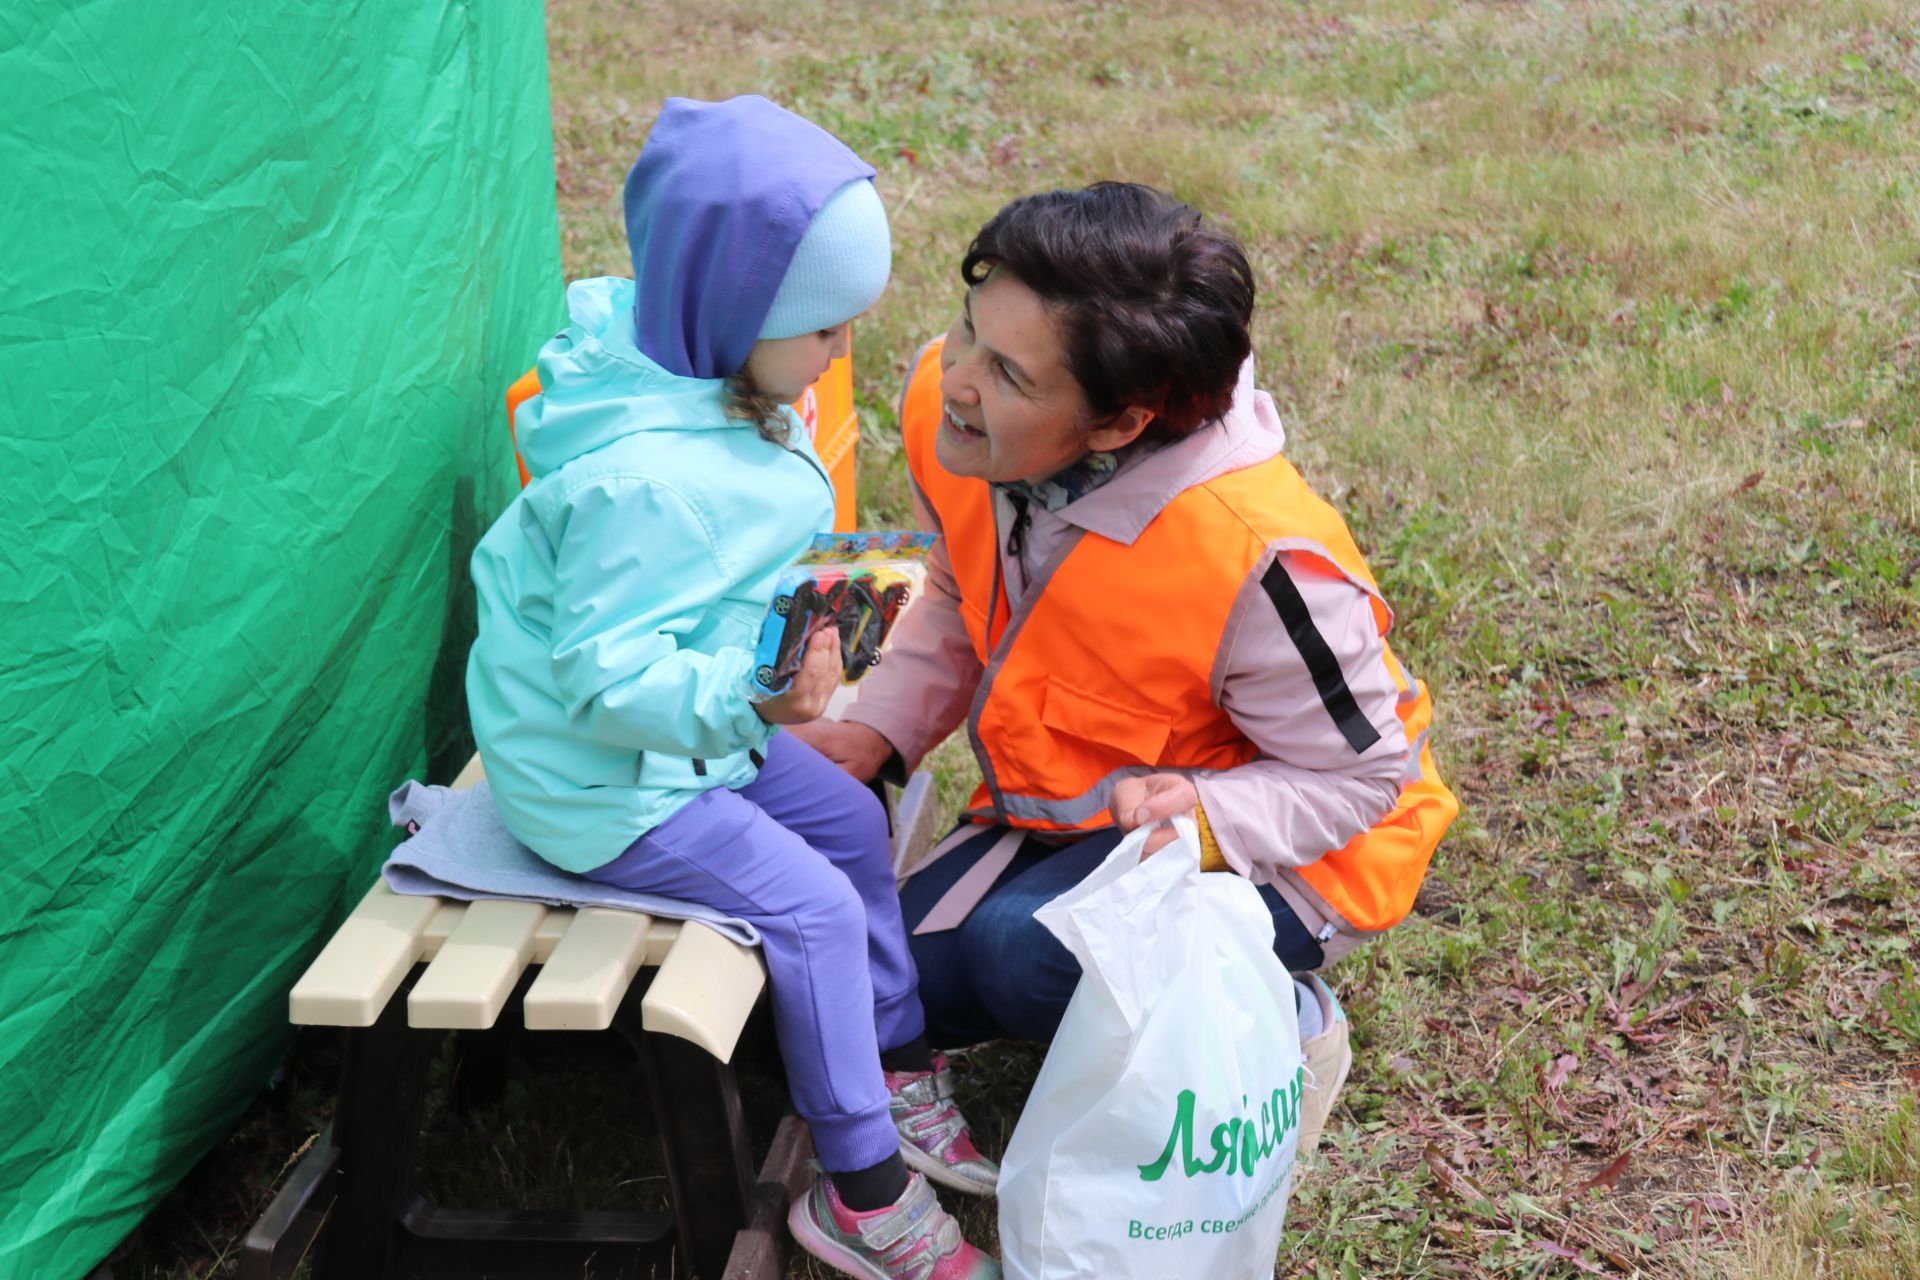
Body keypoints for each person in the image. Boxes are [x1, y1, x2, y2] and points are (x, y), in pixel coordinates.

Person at [791, 182, 1460, 1161]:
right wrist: (876, 722)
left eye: (1008, 372)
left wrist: (1200, 815)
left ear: (1116, 423)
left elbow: (1365, 778)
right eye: (968, 330)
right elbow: (957, 584)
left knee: (1021, 959)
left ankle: (1281, 1019)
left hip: (1300, 842)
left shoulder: (1259, 555)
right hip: (1085, 811)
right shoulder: (965, 408)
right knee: (857, 979)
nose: (956, 379)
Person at [464, 96, 1000, 1280]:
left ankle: (896, 1052)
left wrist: (810, 620)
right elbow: (604, 679)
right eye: (821, 335)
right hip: (608, 781)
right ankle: (862, 1192)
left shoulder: (703, 370)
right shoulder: (643, 487)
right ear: (731, 314)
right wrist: (752, 701)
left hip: (696, 727)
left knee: (856, 821)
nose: (835, 357)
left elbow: (705, 575)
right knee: (807, 905)